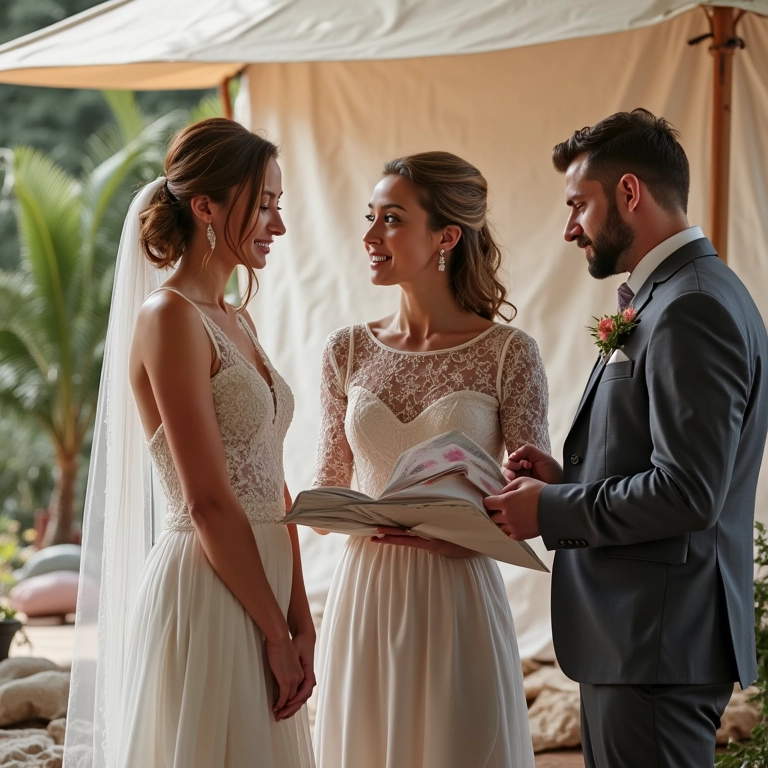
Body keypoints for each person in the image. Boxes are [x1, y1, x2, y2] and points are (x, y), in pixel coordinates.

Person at [484, 109, 768, 768]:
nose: (569, 227)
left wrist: (547, 510)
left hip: (655, 646)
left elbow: (688, 492)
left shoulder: (690, 306)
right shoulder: (674, 295)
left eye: (578, 204)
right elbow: (662, 458)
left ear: (629, 194)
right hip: (643, 641)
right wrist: (566, 479)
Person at [64, 118, 315, 768]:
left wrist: (302, 618)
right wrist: (274, 630)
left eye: (278, 206)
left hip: (264, 581)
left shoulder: (238, 319)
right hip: (209, 585)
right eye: (263, 204)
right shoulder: (169, 318)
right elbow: (207, 499)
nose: (276, 225)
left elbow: (272, 483)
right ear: (205, 205)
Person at [311, 151, 547, 768]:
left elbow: (532, 498)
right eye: (370, 216)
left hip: (457, 592)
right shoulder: (346, 350)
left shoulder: (508, 353)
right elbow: (328, 486)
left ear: (446, 235)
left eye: (391, 218)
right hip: (366, 592)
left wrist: (471, 535)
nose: (369, 235)